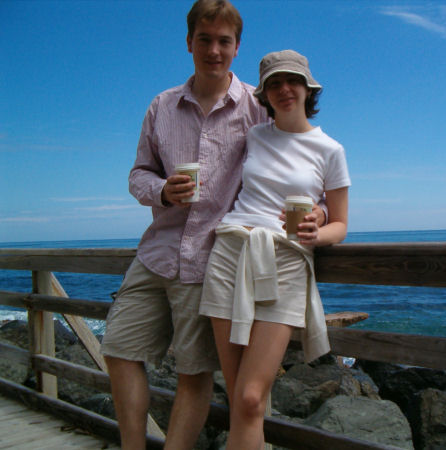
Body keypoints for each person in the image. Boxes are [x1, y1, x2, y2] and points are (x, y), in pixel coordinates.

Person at [100, 3, 325, 449]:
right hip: (156, 252)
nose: (214, 50)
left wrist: (317, 209)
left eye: (224, 41)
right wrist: (163, 190)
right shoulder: (161, 106)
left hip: (212, 260)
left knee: (194, 372)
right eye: (205, 40)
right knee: (118, 351)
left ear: (237, 48)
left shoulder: (255, 109)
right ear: (189, 43)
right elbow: (137, 174)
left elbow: (296, 159)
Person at [199, 49, 350, 449]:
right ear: (263, 94)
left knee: (250, 399)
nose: (285, 89)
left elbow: (341, 224)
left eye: (293, 81)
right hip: (231, 252)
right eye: (274, 84)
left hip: (285, 260)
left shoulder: (330, 149)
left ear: (307, 88)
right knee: (239, 399)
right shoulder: (252, 136)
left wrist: (317, 231)